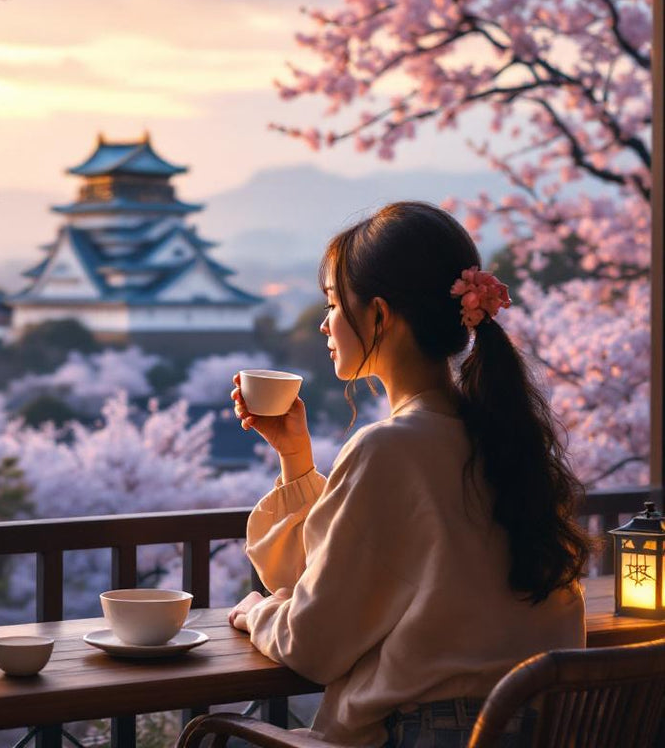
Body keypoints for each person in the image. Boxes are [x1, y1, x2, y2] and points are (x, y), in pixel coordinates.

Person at [228, 201, 590, 748]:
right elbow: (359, 571)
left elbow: (314, 642)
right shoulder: (506, 437)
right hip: (547, 729)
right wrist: (297, 460)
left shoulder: (390, 449)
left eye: (331, 302)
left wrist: (257, 612)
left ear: (379, 314)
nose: (326, 322)